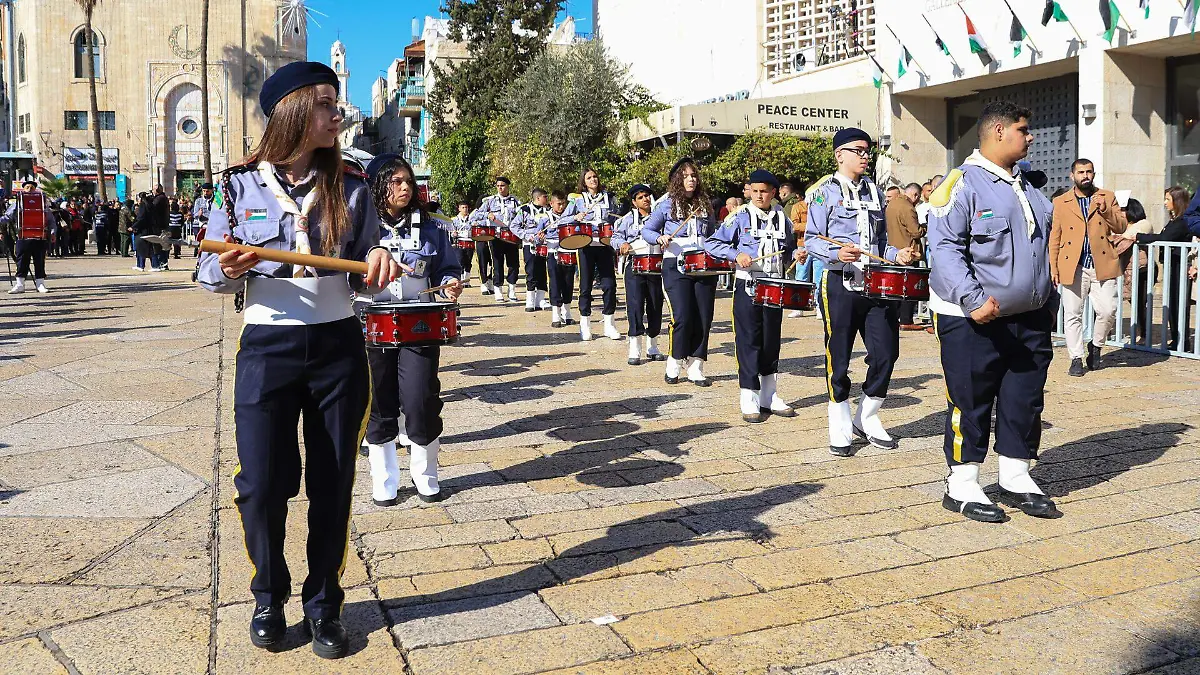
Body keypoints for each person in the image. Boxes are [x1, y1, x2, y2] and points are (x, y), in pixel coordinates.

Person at [195, 61, 400, 658]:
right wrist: (227, 268)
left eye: (337, 104)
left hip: (337, 347)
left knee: (333, 483)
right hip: (268, 346)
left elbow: (368, 265)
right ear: (294, 113)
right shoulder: (237, 186)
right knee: (261, 483)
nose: (338, 114)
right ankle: (268, 596)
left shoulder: (353, 184)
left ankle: (324, 604)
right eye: (326, 105)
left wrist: (379, 262)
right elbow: (207, 270)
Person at [927, 100, 1058, 523]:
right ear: (999, 131)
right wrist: (972, 299)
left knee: (1024, 398)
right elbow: (944, 249)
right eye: (1023, 129)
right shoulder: (961, 183)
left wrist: (1048, 300)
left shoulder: (1027, 186)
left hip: (1029, 316)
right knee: (971, 398)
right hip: (974, 317)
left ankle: (1015, 476)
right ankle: (962, 482)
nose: (1030, 137)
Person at [805, 127, 916, 457]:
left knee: (886, 353)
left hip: (876, 285)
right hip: (840, 284)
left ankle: (866, 415)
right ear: (840, 155)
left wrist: (897, 255)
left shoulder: (876, 192)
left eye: (868, 151)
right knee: (839, 356)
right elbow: (812, 239)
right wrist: (836, 253)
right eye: (859, 150)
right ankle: (839, 421)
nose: (866, 156)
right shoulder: (824, 193)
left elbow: (880, 243)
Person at [361, 153, 463, 508]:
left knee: (421, 400)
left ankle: (426, 475)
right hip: (372, 323)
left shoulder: (431, 227)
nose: (405, 187)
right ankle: (384, 479)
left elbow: (447, 268)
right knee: (378, 401)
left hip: (418, 324)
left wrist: (449, 285)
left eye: (409, 181)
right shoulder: (360, 226)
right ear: (378, 186)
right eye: (396, 182)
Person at [706, 169, 806, 422]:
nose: (759, 196)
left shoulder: (782, 218)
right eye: (755, 191)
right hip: (748, 285)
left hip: (774, 286)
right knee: (748, 340)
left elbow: (787, 250)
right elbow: (713, 243)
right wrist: (736, 255)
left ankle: (769, 395)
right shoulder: (739, 216)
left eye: (764, 191)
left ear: (774, 192)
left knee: (771, 341)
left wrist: (796, 255)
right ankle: (749, 395)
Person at [642, 157, 719, 386]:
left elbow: (712, 234)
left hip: (704, 265)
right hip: (676, 265)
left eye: (693, 175)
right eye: (685, 176)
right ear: (677, 179)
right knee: (682, 315)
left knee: (704, 316)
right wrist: (660, 238)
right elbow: (647, 230)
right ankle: (674, 360)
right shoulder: (666, 204)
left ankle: (696, 365)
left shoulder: (705, 203)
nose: (691, 180)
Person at [1049, 158, 1127, 375]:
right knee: (1072, 313)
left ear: (1094, 174)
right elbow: (1055, 236)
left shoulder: (1107, 196)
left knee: (1108, 310)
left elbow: (1121, 226)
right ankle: (1076, 358)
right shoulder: (1061, 201)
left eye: (1089, 172)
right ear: (1072, 175)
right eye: (1081, 172)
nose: (1085, 176)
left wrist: (1106, 210)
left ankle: (1096, 345)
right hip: (1073, 265)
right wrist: (1053, 267)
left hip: (1102, 263)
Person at [559, 168, 621, 341]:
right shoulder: (578, 200)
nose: (593, 179)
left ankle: (609, 324)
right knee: (585, 286)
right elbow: (562, 219)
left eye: (595, 176)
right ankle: (585, 324)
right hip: (585, 245)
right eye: (589, 178)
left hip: (604, 245)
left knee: (609, 285)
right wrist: (575, 217)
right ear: (584, 182)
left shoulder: (608, 198)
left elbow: (616, 219)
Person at [612, 184, 666, 365]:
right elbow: (615, 237)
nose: (645, 199)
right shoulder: (627, 219)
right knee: (635, 306)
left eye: (647, 196)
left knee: (655, 304)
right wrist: (622, 244)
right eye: (641, 197)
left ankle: (653, 346)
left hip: (656, 265)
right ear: (634, 202)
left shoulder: (660, 217)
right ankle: (635, 348)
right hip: (635, 265)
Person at [1137, 187, 1194, 349]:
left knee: (1179, 303)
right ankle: (1177, 340)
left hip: (1181, 266)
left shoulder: (1183, 221)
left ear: (1177, 201)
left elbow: (1165, 237)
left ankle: (1182, 341)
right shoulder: (1175, 220)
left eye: (1168, 199)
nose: (1165, 202)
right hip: (1173, 264)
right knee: (1172, 303)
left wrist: (1140, 237)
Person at [471, 176, 520, 303]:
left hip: (511, 236)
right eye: (498, 186)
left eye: (502, 186)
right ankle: (498, 289)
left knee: (513, 264)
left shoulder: (515, 201)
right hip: (496, 236)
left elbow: (521, 216)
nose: (500, 188)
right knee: (497, 263)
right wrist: (487, 214)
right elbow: (475, 214)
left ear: (508, 186)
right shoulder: (490, 201)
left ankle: (512, 289)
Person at [885, 182, 926, 330]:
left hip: (892, 252)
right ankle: (906, 320)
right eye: (918, 197)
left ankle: (895, 318)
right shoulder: (907, 207)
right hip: (908, 252)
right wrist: (924, 228)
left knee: (895, 288)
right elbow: (915, 231)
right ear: (915, 195)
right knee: (909, 287)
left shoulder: (892, 204)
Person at [2, 180, 55, 293]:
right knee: (22, 261)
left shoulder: (42, 203)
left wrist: (52, 232)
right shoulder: (18, 203)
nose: (29, 189)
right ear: (23, 190)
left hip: (39, 237)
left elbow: (50, 219)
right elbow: (7, 217)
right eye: (27, 187)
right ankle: (20, 285)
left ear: (35, 190)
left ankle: (40, 284)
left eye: (32, 188)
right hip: (23, 237)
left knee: (39, 261)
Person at [510, 188, 552, 312]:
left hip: (544, 245)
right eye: (545, 197)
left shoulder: (548, 211)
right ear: (538, 198)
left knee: (542, 271)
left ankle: (541, 299)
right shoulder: (525, 210)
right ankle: (530, 299)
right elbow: (513, 226)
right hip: (530, 244)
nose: (547, 199)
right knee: (531, 271)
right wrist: (526, 236)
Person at [543, 191, 578, 328]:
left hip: (568, 251)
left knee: (568, 283)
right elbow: (537, 234)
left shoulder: (570, 216)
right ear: (551, 203)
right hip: (553, 253)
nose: (562, 206)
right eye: (559, 204)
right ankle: (556, 315)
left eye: (564, 204)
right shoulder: (545, 217)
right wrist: (539, 237)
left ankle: (567, 313)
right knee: (555, 283)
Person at [451, 200, 474, 286]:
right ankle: (459, 281)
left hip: (469, 241)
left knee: (468, 262)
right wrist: (453, 233)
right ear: (459, 209)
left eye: (466, 207)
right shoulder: (454, 220)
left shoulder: (472, 219)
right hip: (458, 242)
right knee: (459, 261)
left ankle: (467, 281)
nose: (465, 209)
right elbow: (451, 231)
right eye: (463, 207)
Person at [192, 183, 215, 257]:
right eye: (204, 191)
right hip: (203, 225)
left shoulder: (216, 200)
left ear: (212, 190)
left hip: (214, 225)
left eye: (207, 191)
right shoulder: (199, 201)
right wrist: (199, 214)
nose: (205, 193)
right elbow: (195, 214)